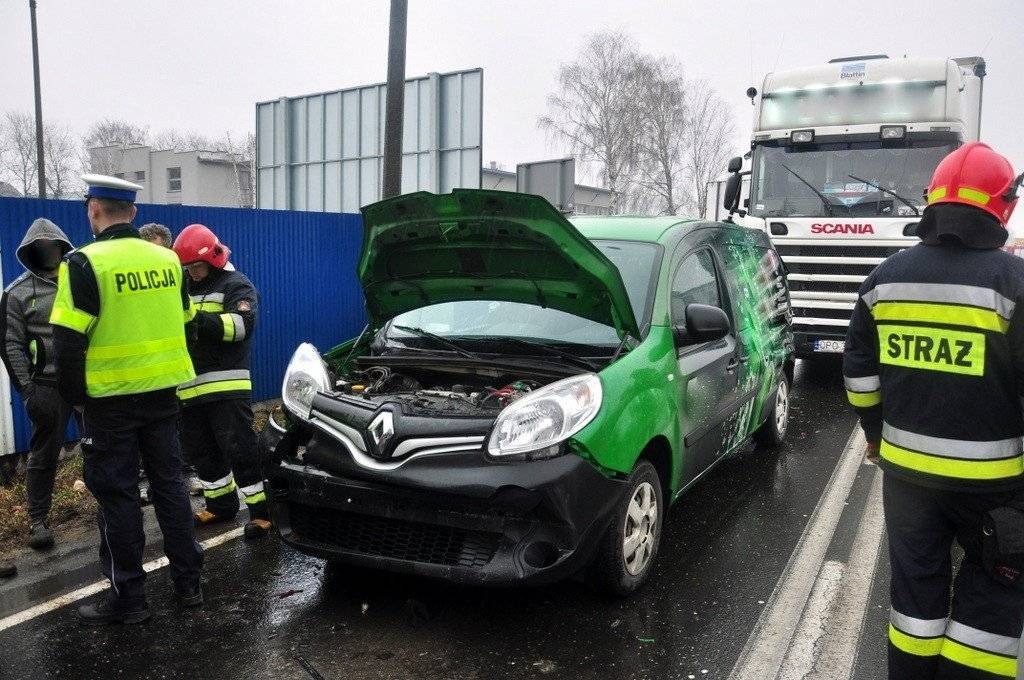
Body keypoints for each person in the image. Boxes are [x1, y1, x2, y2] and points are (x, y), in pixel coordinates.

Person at [844, 142, 1024, 680]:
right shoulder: (1015, 285)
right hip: (999, 487)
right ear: (1004, 208)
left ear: (933, 202)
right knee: (993, 596)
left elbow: (858, 376)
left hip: (908, 481)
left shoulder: (886, 278)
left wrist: (877, 435)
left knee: (914, 600)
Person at [50, 174, 203, 625]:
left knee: (117, 495)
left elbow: (67, 341)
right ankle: (189, 585)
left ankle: (129, 599)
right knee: (170, 486)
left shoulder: (83, 263)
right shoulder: (168, 261)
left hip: (109, 402)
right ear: (133, 213)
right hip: (162, 395)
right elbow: (188, 324)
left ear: (93, 210)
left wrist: (77, 400)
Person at [172, 224, 269, 539]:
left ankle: (261, 512)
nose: (193, 273)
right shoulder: (182, 287)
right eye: (187, 267)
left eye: (197, 266)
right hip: (188, 387)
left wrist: (196, 321)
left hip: (226, 386)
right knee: (202, 452)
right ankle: (220, 505)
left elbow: (240, 327)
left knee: (240, 448)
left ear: (213, 258)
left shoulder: (236, 285)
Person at [0, 218, 74, 551]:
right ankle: (38, 520)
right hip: (46, 386)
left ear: (63, 247)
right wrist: (27, 392)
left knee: (102, 445)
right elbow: (9, 343)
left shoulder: (81, 281)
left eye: (54, 246)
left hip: (88, 382)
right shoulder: (16, 293)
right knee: (44, 455)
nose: (49, 253)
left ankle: (112, 507)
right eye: (41, 248)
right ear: (31, 252)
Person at [135, 221, 203, 501]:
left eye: (162, 251)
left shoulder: (177, 277)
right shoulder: (133, 287)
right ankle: (146, 479)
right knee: (141, 431)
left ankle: (180, 474)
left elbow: (187, 319)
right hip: (139, 371)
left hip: (171, 370)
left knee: (175, 428)